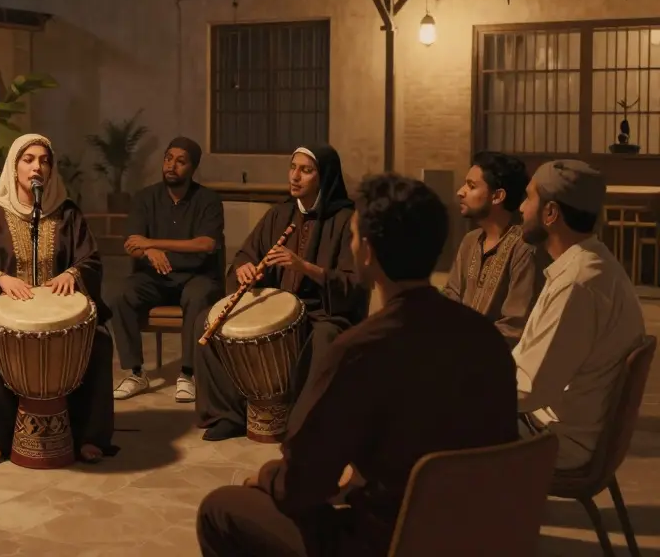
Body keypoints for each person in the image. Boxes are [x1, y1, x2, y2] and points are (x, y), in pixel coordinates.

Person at [196, 173, 518, 557]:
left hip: (391, 541)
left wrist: (265, 478)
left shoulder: (361, 349)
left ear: (366, 251)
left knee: (220, 508)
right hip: (482, 536)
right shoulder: (486, 339)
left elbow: (304, 484)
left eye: (353, 238)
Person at [0, 134, 118, 465]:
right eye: (29, 159)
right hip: (1, 311)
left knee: (100, 341)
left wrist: (72, 274)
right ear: (14, 167)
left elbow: (90, 259)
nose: (37, 166)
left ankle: (90, 435)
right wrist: (1, 278)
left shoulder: (66, 213)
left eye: (44, 160)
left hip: (60, 315)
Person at [195, 145, 366, 441]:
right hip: (277, 302)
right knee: (206, 322)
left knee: (326, 336)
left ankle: (306, 422)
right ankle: (229, 414)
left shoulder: (345, 220)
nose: (295, 176)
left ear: (323, 177)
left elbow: (355, 283)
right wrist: (244, 269)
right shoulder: (280, 213)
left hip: (321, 311)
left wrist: (306, 268)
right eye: (292, 167)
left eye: (306, 170)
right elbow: (245, 254)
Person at [513, 159, 645, 470]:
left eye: (529, 198)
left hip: (556, 439)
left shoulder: (579, 283)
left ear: (551, 213)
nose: (520, 208)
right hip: (549, 424)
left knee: (433, 426)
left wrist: (462, 392)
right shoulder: (588, 265)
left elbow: (531, 389)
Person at [110, 136, 224, 402]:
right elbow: (132, 243)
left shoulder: (207, 199)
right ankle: (137, 373)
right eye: (168, 158)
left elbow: (206, 243)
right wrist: (149, 251)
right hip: (155, 278)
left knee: (197, 297)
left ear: (192, 167)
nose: (171, 165)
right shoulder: (145, 197)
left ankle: (187, 374)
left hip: (197, 276)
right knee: (120, 294)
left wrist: (152, 242)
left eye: (180, 161)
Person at [444, 151, 543, 345]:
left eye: (471, 186)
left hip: (497, 361)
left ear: (497, 196)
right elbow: (451, 298)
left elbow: (515, 325)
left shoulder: (523, 246)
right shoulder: (470, 241)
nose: (460, 191)